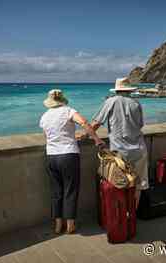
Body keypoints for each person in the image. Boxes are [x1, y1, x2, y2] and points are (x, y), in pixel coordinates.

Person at [40, 89, 105, 234]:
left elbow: (47, 137)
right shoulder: (68, 111)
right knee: (70, 190)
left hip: (51, 155)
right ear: (62, 99)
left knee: (56, 191)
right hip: (68, 154)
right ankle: (70, 225)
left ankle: (58, 225)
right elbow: (84, 122)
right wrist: (97, 139)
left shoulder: (44, 117)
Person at [87, 77, 149, 208]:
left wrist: (84, 134)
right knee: (137, 185)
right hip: (139, 149)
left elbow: (96, 123)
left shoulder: (110, 101)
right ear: (129, 90)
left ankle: (121, 217)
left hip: (120, 153)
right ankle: (132, 216)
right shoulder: (136, 103)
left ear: (117, 90)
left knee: (119, 185)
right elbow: (140, 125)